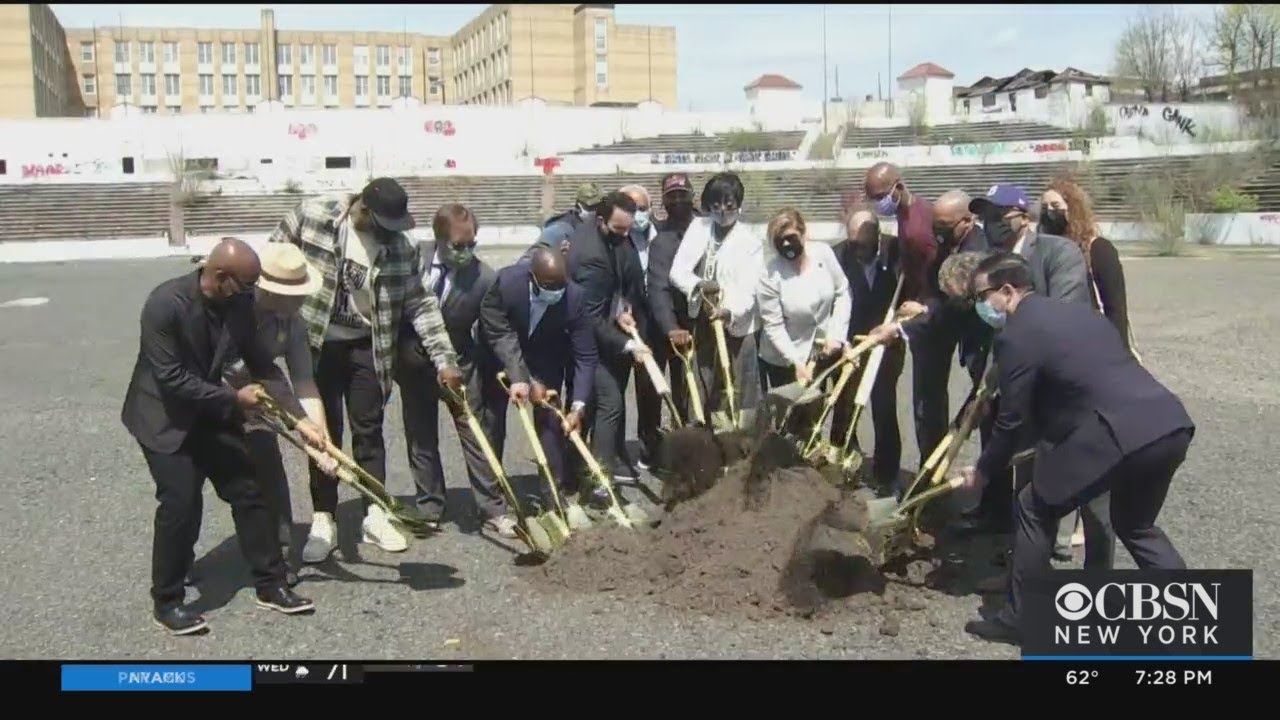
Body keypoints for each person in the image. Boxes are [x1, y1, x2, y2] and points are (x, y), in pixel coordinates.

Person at [958, 252, 1195, 645]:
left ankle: (1021, 620)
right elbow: (1078, 381)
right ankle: (1191, 613)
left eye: (981, 296)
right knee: (1137, 525)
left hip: (1119, 432)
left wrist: (983, 470)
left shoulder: (1016, 334)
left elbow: (1011, 421)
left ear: (1007, 290)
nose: (980, 306)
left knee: (1033, 507)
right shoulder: (1079, 315)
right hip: (1169, 424)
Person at [122, 238, 322, 636]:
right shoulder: (166, 304)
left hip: (211, 412)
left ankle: (271, 583)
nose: (252, 295)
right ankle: (168, 601)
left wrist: (300, 420)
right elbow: (172, 379)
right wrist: (235, 397)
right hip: (163, 418)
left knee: (248, 490)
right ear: (220, 277)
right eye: (246, 286)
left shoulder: (239, 304)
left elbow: (262, 365)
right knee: (181, 503)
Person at [268, 178, 463, 563]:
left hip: (368, 345)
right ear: (362, 208)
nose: (387, 234)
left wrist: (445, 360)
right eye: (381, 224)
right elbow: (273, 259)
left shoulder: (401, 248)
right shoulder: (313, 217)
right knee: (324, 434)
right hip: (317, 344)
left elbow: (421, 305)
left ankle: (375, 512)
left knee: (368, 430)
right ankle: (325, 517)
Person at [395, 204, 513, 538]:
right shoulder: (411, 259)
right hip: (415, 364)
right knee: (420, 435)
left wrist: (517, 373)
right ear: (439, 240)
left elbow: (497, 330)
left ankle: (492, 507)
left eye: (471, 245)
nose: (466, 253)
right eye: (458, 246)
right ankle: (430, 505)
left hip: (461, 364)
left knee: (476, 433)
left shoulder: (485, 278)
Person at [221, 243, 336, 585]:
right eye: (290, 293)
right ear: (265, 290)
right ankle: (180, 565)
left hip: (259, 402)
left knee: (269, 474)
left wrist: (318, 441)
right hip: (213, 396)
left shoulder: (293, 322)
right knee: (190, 484)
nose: (299, 300)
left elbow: (304, 384)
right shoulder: (230, 312)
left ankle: (278, 557)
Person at [481, 246, 598, 503]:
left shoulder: (575, 298)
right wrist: (522, 378)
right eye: (548, 285)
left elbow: (585, 356)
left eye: (560, 285)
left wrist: (578, 406)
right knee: (492, 424)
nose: (555, 291)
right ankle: (492, 500)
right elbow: (498, 332)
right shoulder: (507, 283)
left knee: (551, 425)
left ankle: (553, 496)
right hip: (500, 356)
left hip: (545, 360)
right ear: (532, 277)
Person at [566, 190, 649, 495]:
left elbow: (614, 290)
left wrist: (621, 309)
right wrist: (628, 345)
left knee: (592, 405)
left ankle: (576, 471)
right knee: (610, 403)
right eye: (619, 230)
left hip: (605, 325)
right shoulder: (592, 259)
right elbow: (589, 318)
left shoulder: (602, 231)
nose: (625, 236)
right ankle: (600, 477)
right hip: (587, 343)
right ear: (601, 221)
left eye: (628, 229)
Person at [668, 172, 765, 427]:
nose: (722, 211)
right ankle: (702, 439)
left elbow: (749, 290)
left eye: (729, 205)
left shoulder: (750, 242)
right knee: (701, 385)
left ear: (738, 205)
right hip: (703, 321)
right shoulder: (698, 228)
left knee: (736, 390)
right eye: (716, 205)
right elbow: (678, 271)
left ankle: (737, 446)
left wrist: (729, 312)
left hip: (736, 328)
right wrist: (698, 285)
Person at [756, 208, 851, 432]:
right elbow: (773, 325)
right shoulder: (769, 274)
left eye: (791, 238)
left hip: (824, 349)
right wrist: (797, 362)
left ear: (803, 233)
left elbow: (842, 292)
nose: (787, 245)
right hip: (785, 357)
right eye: (780, 241)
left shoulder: (823, 254)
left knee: (819, 410)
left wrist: (836, 335)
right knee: (792, 420)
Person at [830, 208, 905, 487]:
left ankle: (887, 471)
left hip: (888, 343)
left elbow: (909, 293)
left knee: (884, 405)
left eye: (861, 244)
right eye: (852, 243)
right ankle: (842, 461)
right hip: (849, 343)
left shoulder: (896, 253)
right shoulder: (837, 257)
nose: (856, 250)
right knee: (844, 403)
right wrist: (842, 342)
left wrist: (896, 329)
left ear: (876, 236)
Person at [1041, 178, 1133, 351]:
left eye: (1055, 205)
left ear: (1073, 209)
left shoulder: (1098, 249)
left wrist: (1118, 351)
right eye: (1044, 208)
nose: (1049, 212)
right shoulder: (1042, 251)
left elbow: (1116, 308)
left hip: (1095, 342)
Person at [620, 183, 667, 467]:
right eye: (631, 208)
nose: (638, 214)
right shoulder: (617, 239)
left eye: (642, 208)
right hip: (625, 318)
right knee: (617, 389)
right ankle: (615, 450)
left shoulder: (662, 235)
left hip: (657, 320)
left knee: (651, 385)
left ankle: (650, 444)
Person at [646, 173, 696, 425]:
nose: (677, 201)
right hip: (673, 326)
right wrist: (671, 328)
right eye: (671, 197)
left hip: (708, 323)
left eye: (682, 195)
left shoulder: (708, 231)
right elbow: (658, 288)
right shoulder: (661, 242)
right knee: (675, 389)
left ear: (692, 197)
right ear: (664, 203)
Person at [531, 182, 603, 258]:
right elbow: (535, 256)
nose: (594, 210)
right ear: (579, 204)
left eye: (597, 206)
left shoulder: (606, 223)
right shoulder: (561, 227)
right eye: (590, 207)